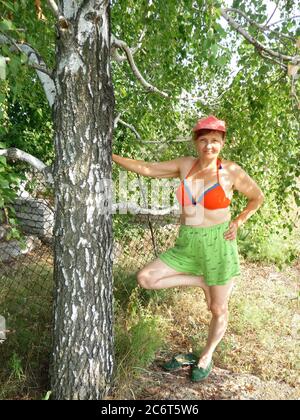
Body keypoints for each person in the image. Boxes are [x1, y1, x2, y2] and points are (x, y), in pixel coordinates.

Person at [112, 115, 264, 382]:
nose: (209, 146)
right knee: (146, 278)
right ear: (195, 142)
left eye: (215, 141)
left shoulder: (230, 171)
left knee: (218, 309)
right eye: (203, 140)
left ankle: (206, 355)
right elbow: (147, 168)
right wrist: (109, 155)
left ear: (222, 143)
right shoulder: (185, 166)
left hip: (219, 244)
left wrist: (238, 221)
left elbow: (256, 197)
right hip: (188, 242)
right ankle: (200, 281)